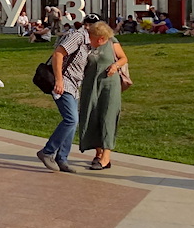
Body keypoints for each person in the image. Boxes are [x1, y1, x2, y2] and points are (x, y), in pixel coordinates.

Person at [36, 18, 92, 173]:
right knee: (71, 119)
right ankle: (47, 152)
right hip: (63, 83)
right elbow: (58, 54)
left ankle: (62, 158)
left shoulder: (88, 43)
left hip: (74, 86)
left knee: (73, 121)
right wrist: (59, 80)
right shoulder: (77, 36)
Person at [78, 21, 129, 171]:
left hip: (109, 85)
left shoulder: (112, 42)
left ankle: (106, 157)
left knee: (108, 116)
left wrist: (115, 66)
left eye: (97, 37)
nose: (94, 39)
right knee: (91, 115)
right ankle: (98, 153)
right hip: (90, 85)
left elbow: (123, 58)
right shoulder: (87, 44)